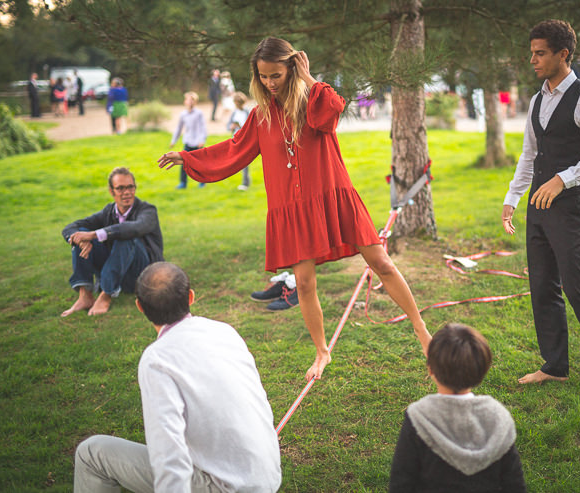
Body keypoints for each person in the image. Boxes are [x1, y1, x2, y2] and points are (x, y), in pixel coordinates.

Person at [158, 37, 431, 381]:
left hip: (333, 196)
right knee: (303, 284)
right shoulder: (260, 117)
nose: (270, 84)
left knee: (381, 263)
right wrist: (187, 156)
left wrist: (309, 78)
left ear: (292, 68)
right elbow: (232, 151)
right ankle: (322, 352)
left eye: (276, 75)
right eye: (263, 77)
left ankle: (421, 330)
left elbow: (334, 110)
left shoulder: (314, 102)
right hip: (292, 209)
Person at [73, 262, 282, 492]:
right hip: (267, 476)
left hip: (226, 486)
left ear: (139, 307)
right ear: (191, 297)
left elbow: (168, 453)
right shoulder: (224, 331)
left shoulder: (156, 360)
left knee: (91, 453)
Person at [501, 20, 580, 398]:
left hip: (570, 209)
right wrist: (512, 198)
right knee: (542, 288)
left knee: (577, 288)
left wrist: (564, 178)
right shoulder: (536, 100)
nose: (531, 59)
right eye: (532, 52)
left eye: (540, 53)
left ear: (563, 54)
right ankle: (555, 367)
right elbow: (529, 155)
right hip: (537, 209)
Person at [389, 323, 526, 492]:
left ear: (430, 369)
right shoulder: (498, 416)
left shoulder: (418, 417)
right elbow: (515, 485)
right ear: (482, 371)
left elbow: (401, 482)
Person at [61, 167, 163, 317]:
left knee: (125, 235)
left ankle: (106, 294)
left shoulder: (148, 211)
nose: (127, 192)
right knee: (80, 234)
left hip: (142, 275)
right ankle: (85, 296)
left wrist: (94, 234)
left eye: (130, 187)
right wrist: (81, 239)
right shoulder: (108, 212)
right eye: (120, 188)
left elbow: (133, 228)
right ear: (111, 191)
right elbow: (70, 227)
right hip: (118, 272)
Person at [170, 91, 207, 190]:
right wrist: (173, 141)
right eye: (187, 100)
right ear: (185, 102)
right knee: (183, 163)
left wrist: (201, 140)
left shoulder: (199, 113)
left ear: (195, 102)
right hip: (188, 141)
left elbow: (202, 128)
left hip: (197, 143)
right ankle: (183, 183)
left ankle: (202, 182)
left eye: (191, 100)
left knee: (199, 164)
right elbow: (179, 128)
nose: (189, 102)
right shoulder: (183, 114)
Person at [227, 92, 251, 190]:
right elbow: (228, 126)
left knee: (244, 161)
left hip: (245, 139)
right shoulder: (234, 113)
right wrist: (232, 127)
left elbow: (249, 127)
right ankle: (244, 181)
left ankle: (245, 183)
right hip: (236, 139)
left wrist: (240, 126)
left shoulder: (247, 112)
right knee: (237, 161)